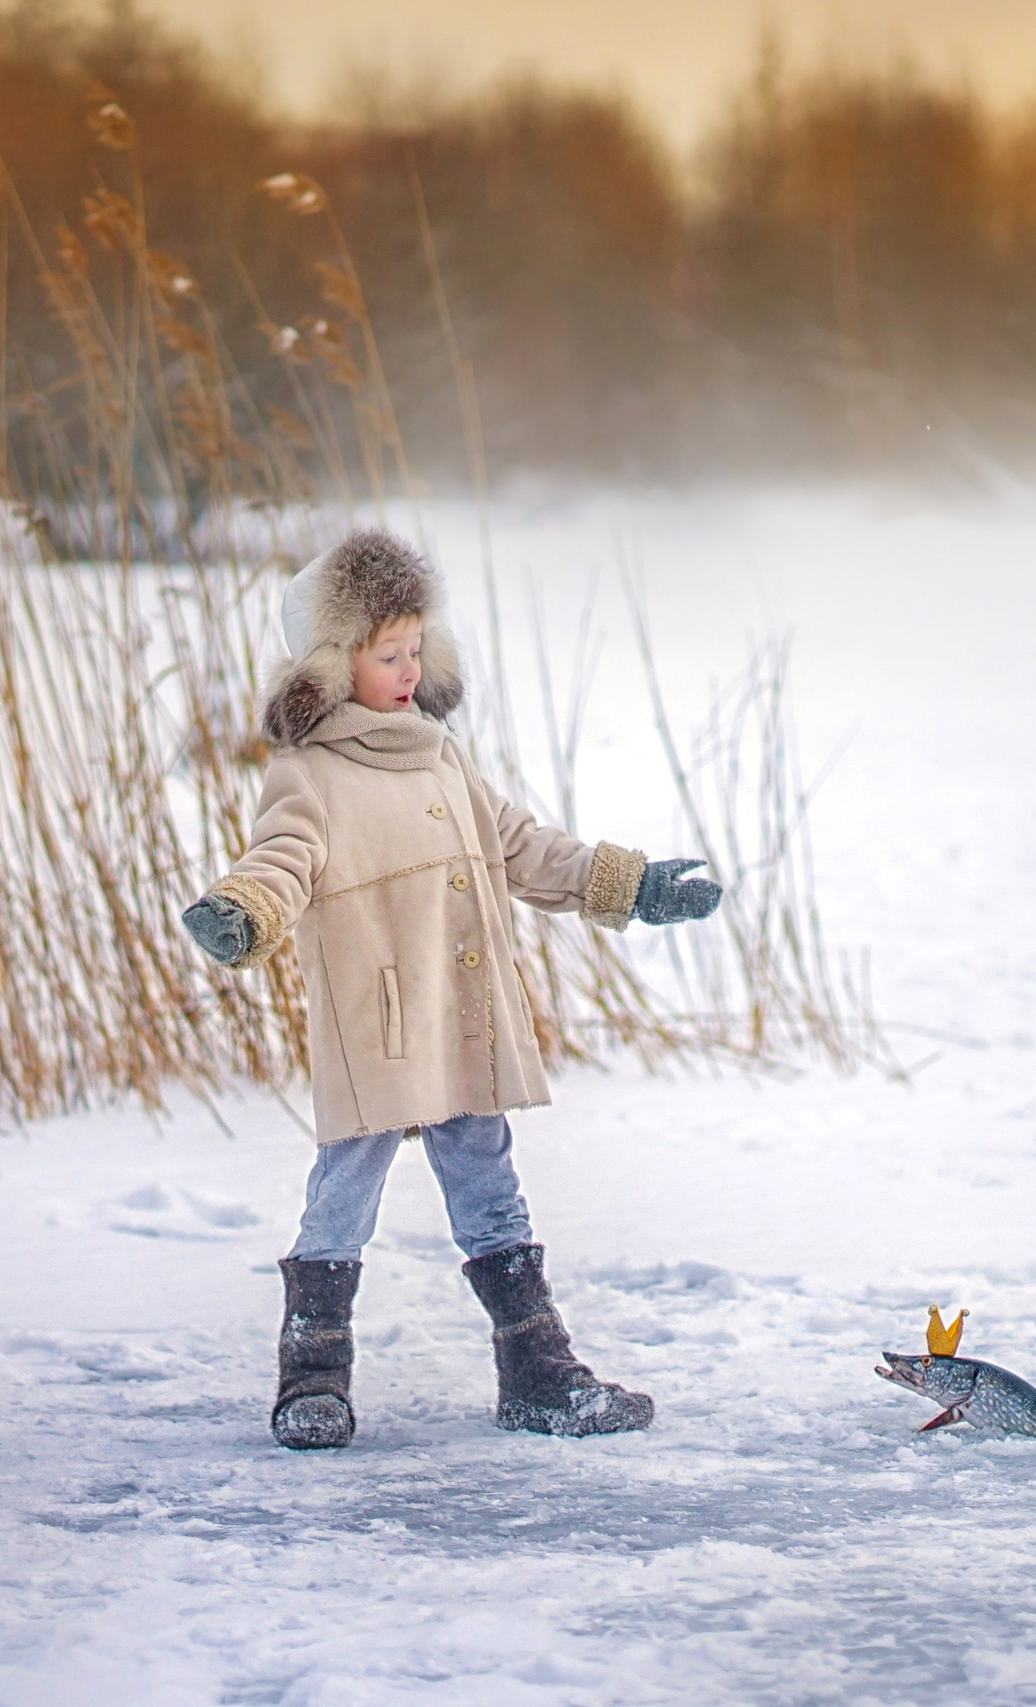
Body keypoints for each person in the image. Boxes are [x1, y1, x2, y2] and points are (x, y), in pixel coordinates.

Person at [180, 529, 723, 1450]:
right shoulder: (310, 773)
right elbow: (279, 860)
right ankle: (312, 1376)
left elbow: (524, 848)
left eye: (415, 649)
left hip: (465, 1017)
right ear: (332, 661)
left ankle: (538, 1371)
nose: (407, 667)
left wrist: (630, 885)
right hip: (378, 1025)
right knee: (343, 1192)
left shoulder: (441, 757)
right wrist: (243, 911)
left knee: (490, 1185)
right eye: (386, 653)